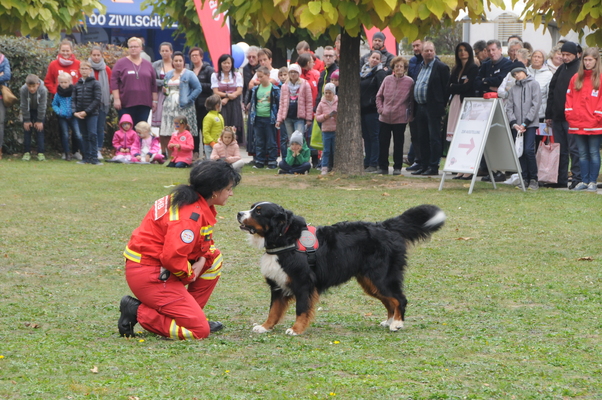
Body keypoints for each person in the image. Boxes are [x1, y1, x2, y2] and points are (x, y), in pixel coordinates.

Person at [118, 159, 242, 339]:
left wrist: (202, 258)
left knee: (213, 258)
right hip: (151, 274)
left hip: (154, 267)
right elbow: (172, 257)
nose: (231, 194)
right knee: (199, 331)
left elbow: (202, 244)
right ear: (214, 191)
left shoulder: (192, 201)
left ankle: (188, 315)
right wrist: (190, 274)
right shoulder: (189, 216)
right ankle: (137, 310)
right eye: (229, 189)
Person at [545, 41, 582, 189]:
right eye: (563, 54)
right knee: (560, 148)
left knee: (574, 149)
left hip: (572, 117)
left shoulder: (579, 69)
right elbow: (552, 91)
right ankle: (560, 178)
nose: (565, 57)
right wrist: (549, 114)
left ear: (576, 54)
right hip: (557, 116)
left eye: (568, 55)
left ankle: (577, 178)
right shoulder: (561, 69)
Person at [565, 47, 602, 192]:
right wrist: (570, 114)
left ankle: (593, 181)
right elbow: (569, 98)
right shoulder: (576, 78)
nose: (587, 63)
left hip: (594, 123)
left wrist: (597, 116)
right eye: (585, 60)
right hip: (577, 123)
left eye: (590, 60)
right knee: (582, 153)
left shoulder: (600, 78)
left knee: (593, 152)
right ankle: (584, 181)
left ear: (596, 61)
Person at [411, 41, 450, 176]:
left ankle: (433, 166)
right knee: (422, 138)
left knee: (434, 138)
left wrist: (441, 104)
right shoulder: (421, 67)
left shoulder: (441, 67)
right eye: (426, 51)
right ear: (421, 53)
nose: (429, 53)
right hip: (420, 107)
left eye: (431, 51)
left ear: (434, 52)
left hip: (433, 108)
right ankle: (424, 164)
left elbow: (446, 89)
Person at [375, 56, 414, 176]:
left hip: (400, 118)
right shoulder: (387, 80)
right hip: (385, 117)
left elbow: (412, 100)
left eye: (401, 66)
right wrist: (381, 109)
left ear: (405, 68)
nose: (399, 68)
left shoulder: (410, 82)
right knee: (383, 142)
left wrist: (409, 115)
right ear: (393, 68)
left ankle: (397, 167)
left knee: (398, 143)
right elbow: (379, 96)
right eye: (396, 66)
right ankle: (383, 167)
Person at [505, 67, 542, 190]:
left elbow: (535, 104)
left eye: (519, 73)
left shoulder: (534, 84)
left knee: (528, 150)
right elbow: (509, 107)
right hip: (517, 126)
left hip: (530, 124)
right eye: (514, 74)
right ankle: (524, 177)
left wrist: (526, 122)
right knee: (519, 152)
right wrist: (514, 123)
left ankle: (533, 178)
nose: (517, 76)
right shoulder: (513, 89)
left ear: (525, 72)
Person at [160, 51, 201, 158]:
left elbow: (198, 88)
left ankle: (184, 155)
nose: (178, 63)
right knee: (169, 130)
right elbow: (166, 90)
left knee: (182, 130)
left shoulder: (189, 74)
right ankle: (171, 156)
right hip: (169, 106)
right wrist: (164, 91)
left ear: (184, 62)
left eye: (180, 61)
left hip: (183, 106)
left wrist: (189, 99)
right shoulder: (169, 74)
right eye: (176, 61)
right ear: (172, 61)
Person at [447, 43, 479, 179]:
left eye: (465, 50)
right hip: (455, 103)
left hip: (467, 104)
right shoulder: (456, 68)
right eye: (460, 50)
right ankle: (459, 168)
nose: (462, 53)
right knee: (457, 136)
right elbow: (449, 86)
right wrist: (457, 86)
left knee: (467, 136)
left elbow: (468, 87)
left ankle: (468, 169)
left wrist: (456, 86)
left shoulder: (473, 68)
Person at [110, 37, 158, 127]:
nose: (133, 49)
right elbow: (114, 81)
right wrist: (116, 99)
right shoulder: (120, 63)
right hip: (126, 103)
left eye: (136, 46)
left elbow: (153, 84)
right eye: (131, 47)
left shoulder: (148, 64)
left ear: (141, 48)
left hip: (144, 103)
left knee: (141, 130)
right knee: (127, 130)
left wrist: (155, 101)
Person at [276, 64, 313, 159]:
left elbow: (309, 102)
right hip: (288, 117)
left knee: (299, 139)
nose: (293, 74)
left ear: (299, 73)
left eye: (295, 72)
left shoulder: (305, 84)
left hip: (299, 117)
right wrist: (279, 119)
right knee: (290, 140)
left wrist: (309, 118)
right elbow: (282, 103)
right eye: (291, 72)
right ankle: (291, 159)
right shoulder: (284, 86)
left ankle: (302, 159)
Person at [360, 50, 387, 172]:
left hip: (373, 110)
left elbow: (382, 92)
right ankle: (367, 160)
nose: (374, 60)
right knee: (366, 137)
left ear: (380, 61)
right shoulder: (362, 72)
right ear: (368, 58)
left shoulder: (380, 73)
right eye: (373, 57)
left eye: (377, 58)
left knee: (374, 136)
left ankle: (373, 162)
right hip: (363, 110)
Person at [250, 66, 280, 169]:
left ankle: (272, 161)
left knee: (271, 141)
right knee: (259, 141)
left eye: (261, 76)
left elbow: (278, 103)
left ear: (268, 75)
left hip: (269, 118)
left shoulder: (274, 89)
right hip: (258, 118)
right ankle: (259, 161)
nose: (259, 79)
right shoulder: (256, 89)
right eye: (258, 77)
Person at [73, 61, 102, 165]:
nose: (84, 70)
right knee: (84, 135)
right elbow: (73, 99)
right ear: (79, 70)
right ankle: (86, 157)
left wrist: (86, 112)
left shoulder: (95, 83)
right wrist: (75, 112)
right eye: (82, 68)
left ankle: (94, 158)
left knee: (92, 134)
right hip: (80, 114)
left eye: (86, 69)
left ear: (90, 70)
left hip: (92, 114)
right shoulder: (77, 84)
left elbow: (97, 99)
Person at [211, 54, 244, 144]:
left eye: (228, 63)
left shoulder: (237, 75)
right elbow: (215, 91)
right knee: (223, 125)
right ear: (220, 64)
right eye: (224, 63)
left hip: (234, 103)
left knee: (234, 126)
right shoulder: (215, 75)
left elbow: (239, 91)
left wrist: (227, 98)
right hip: (221, 103)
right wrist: (227, 96)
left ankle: (234, 146)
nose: (226, 65)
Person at [189, 47, 215, 157]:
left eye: (196, 55)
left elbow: (212, 86)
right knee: (194, 128)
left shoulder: (209, 70)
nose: (194, 57)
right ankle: (195, 151)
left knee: (205, 128)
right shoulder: (189, 70)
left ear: (201, 56)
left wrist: (197, 84)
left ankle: (206, 152)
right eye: (192, 55)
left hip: (205, 103)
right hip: (192, 103)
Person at [52, 72, 82, 161]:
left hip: (73, 116)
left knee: (78, 134)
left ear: (70, 82)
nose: (63, 84)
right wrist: (59, 111)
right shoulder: (58, 94)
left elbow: (78, 102)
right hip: (62, 117)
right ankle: (67, 153)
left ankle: (82, 151)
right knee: (65, 135)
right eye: (61, 82)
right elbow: (54, 104)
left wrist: (76, 111)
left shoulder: (74, 92)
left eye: (65, 82)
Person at [89, 46, 112, 160]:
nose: (96, 57)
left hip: (102, 103)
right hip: (89, 103)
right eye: (94, 55)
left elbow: (110, 85)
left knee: (99, 127)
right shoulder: (87, 68)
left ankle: (98, 149)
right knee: (89, 127)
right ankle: (88, 149)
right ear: (90, 55)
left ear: (102, 56)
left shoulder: (106, 69)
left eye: (98, 55)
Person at [19, 74, 48, 161]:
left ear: (38, 84)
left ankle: (41, 153)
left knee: (40, 130)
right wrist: (27, 120)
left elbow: (43, 106)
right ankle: (27, 152)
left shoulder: (43, 90)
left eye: (33, 86)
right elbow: (23, 105)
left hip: (39, 111)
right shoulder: (23, 90)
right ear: (26, 84)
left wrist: (39, 121)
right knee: (27, 130)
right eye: (29, 86)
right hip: (28, 110)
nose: (31, 89)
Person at [407, 39, 424, 171]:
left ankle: (425, 161)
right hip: (413, 102)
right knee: (415, 133)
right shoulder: (412, 61)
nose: (415, 48)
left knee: (423, 133)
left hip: (424, 102)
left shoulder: (430, 61)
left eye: (417, 45)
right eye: (413, 46)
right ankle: (417, 159)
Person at [315, 83, 338, 175]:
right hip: (326, 130)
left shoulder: (338, 102)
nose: (328, 95)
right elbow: (317, 117)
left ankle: (333, 166)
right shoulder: (321, 104)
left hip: (335, 130)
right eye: (326, 93)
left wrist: (336, 116)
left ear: (334, 93)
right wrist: (325, 116)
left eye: (330, 93)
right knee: (326, 150)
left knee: (334, 150)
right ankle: (324, 167)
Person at [152, 42, 174, 142]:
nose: (164, 53)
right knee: (161, 124)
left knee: (173, 123)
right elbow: (151, 80)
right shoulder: (156, 65)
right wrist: (165, 83)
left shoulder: (176, 63)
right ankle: (162, 149)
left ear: (171, 52)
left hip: (173, 95)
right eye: (162, 51)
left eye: (167, 51)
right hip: (160, 95)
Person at [528, 49, 554, 123]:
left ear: (543, 60)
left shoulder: (548, 74)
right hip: (526, 112)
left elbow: (550, 94)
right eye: (534, 56)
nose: (536, 59)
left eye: (539, 57)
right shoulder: (525, 72)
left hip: (541, 113)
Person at [202, 94, 225, 160]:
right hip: (210, 145)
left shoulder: (220, 116)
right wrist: (212, 143)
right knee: (211, 162)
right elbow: (205, 132)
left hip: (219, 144)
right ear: (217, 106)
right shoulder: (208, 117)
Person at [0, 50, 11, 160]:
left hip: (1, 97)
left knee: (0, 124)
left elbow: (7, 75)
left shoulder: (4, 60)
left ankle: (0, 150)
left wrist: (3, 75)